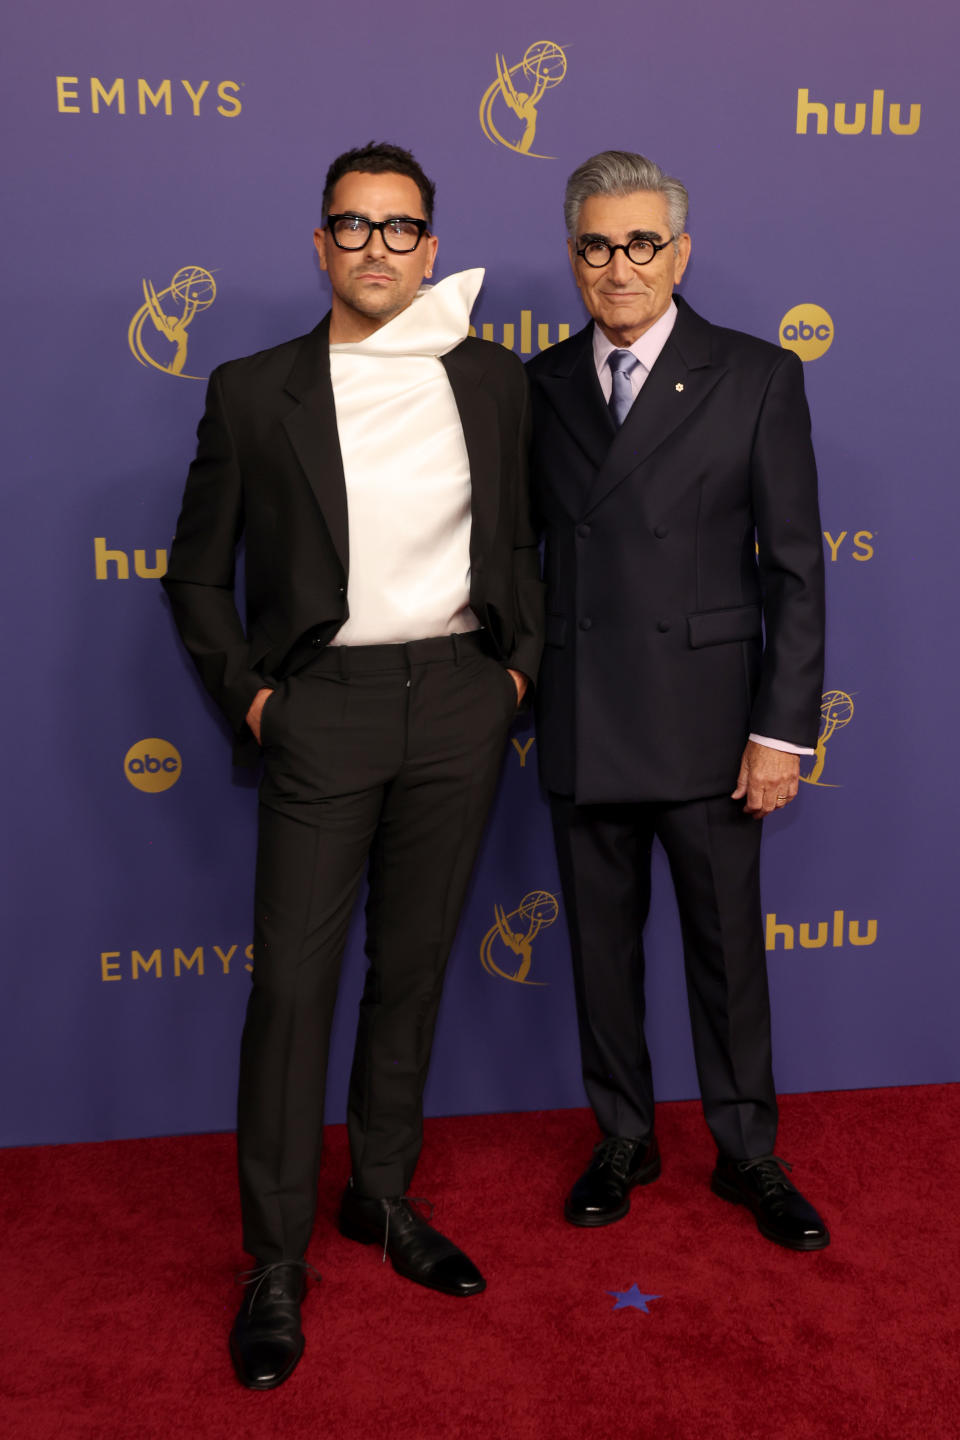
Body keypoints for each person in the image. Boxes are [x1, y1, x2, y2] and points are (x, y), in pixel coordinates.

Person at [163, 142, 543, 1390]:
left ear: (431, 247)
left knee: (416, 969)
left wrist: (513, 678)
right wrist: (259, 702)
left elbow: (530, 541)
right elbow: (194, 573)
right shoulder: (249, 389)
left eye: (402, 228)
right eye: (354, 225)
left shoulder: (493, 380)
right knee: (293, 993)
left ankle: (380, 1196)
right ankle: (274, 1260)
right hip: (321, 707)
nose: (379, 247)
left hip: (458, 703)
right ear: (319, 245)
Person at [526, 150, 828, 1252]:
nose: (620, 268)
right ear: (574, 258)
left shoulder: (757, 374)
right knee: (600, 954)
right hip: (585, 712)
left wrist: (782, 729)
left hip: (712, 724)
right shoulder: (540, 384)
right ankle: (624, 1139)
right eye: (599, 246)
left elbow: (796, 567)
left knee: (726, 953)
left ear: (680, 252)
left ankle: (748, 1152)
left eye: (641, 243)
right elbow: (521, 558)